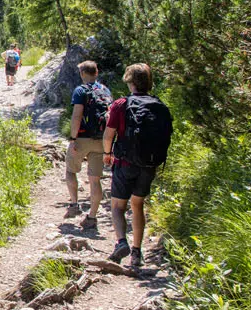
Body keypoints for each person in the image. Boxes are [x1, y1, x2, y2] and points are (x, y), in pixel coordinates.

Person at [103, 63, 173, 268]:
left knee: (117, 206)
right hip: (149, 163)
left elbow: (109, 135)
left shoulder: (121, 104)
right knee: (137, 205)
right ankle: (136, 253)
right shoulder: (158, 105)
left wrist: (107, 154)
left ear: (129, 81)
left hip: (125, 162)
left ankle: (121, 242)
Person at [65, 60, 110, 228]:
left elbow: (77, 115)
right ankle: (92, 216)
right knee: (95, 179)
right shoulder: (105, 90)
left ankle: (74, 205)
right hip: (101, 139)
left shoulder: (80, 90)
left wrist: (73, 138)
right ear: (96, 73)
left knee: (71, 170)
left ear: (83, 73)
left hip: (82, 137)